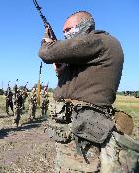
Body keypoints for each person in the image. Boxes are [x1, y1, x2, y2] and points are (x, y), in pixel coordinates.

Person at [39, 11, 138, 172]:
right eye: (63, 31)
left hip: (85, 132)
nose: (65, 34)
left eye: (68, 29)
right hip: (75, 131)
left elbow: (46, 53)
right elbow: (77, 86)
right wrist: (62, 71)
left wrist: (47, 42)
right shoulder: (89, 51)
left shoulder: (99, 40)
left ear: (85, 25)